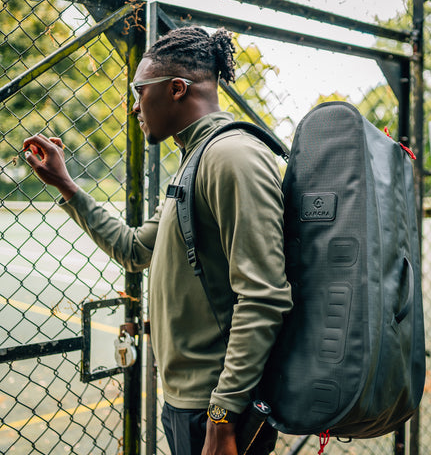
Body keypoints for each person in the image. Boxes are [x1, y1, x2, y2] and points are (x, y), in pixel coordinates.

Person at [23, 26, 292, 455]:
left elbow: (263, 296)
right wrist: (67, 186)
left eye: (139, 92)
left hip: (219, 407)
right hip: (191, 403)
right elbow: (134, 250)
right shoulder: (197, 160)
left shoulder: (232, 157)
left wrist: (222, 416)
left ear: (177, 89)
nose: (134, 107)